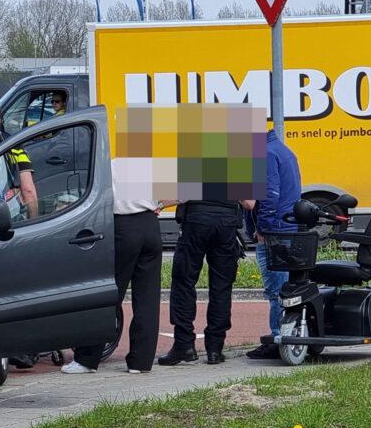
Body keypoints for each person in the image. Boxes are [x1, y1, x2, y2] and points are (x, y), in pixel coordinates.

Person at [61, 180, 166, 375]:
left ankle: (87, 359)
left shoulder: (113, 164)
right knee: (148, 298)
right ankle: (141, 361)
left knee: (109, 293)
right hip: (150, 224)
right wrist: (159, 204)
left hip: (121, 224)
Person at [160, 194, 253, 366]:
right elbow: (249, 203)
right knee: (222, 287)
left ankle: (184, 345)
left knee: (184, 282)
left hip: (195, 219)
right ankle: (215, 349)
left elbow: (171, 196)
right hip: (227, 223)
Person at [246, 128, 303, 360]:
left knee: (276, 291)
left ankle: (279, 339)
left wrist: (263, 228)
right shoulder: (282, 150)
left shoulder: (267, 154)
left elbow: (270, 195)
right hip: (286, 229)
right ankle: (288, 335)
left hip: (275, 233)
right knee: (285, 288)